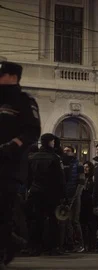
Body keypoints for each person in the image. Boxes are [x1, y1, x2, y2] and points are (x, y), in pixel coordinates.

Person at [0, 61, 41, 269]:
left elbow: (33, 131)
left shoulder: (23, 100)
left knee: (3, 210)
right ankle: (11, 241)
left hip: (9, 165)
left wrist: (12, 145)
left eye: (2, 74)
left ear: (12, 77)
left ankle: (7, 244)